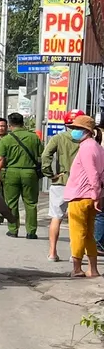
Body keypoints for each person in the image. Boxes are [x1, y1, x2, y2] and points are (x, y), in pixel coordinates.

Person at [60, 114, 104, 278]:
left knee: (77, 233)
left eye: (77, 129)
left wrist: (95, 194)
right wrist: (98, 196)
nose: (74, 131)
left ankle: (77, 268)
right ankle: (93, 269)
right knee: (88, 234)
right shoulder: (98, 147)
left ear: (86, 131)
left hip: (80, 196)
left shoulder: (86, 147)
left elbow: (92, 174)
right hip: (91, 197)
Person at [42, 111, 84, 262]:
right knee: (77, 220)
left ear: (65, 124)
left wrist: (50, 174)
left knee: (56, 218)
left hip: (61, 181)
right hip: (81, 184)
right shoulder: (87, 140)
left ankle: (52, 252)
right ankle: (75, 254)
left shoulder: (58, 138)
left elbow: (45, 155)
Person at [0, 113, 42, 240]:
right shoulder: (34, 137)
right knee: (31, 203)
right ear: (23, 123)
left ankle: (13, 230)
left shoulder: (6, 139)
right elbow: (40, 154)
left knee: (11, 203)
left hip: (12, 173)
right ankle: (31, 232)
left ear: (10, 125)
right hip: (30, 173)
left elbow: (0, 160)